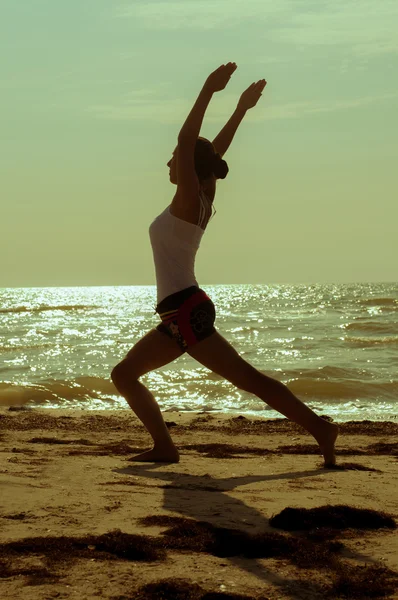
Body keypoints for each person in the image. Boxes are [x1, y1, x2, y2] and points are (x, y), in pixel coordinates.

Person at [111, 63, 338, 466]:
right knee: (126, 375)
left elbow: (188, 142)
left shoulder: (186, 202)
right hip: (180, 312)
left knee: (246, 380)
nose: (168, 163)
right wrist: (241, 110)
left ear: (186, 168)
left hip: (185, 311)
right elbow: (209, 152)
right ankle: (165, 447)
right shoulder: (200, 199)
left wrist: (206, 90)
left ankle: (319, 428)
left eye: (173, 159)